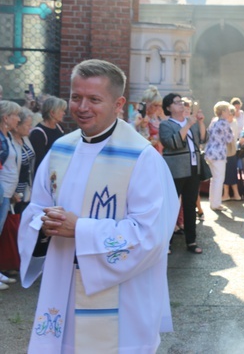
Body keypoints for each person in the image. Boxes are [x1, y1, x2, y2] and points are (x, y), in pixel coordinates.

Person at [19, 59, 179, 352]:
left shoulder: (142, 158)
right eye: (76, 97)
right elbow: (35, 207)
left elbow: (150, 236)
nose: (82, 107)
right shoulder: (61, 149)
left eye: (94, 99)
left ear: (118, 103)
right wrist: (43, 223)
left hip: (120, 300)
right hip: (62, 287)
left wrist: (79, 229)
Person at [160, 93, 207, 253]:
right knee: (171, 206)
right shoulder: (166, 125)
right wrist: (187, 125)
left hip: (193, 168)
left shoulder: (190, 122)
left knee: (190, 205)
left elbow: (202, 138)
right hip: (176, 170)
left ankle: (191, 241)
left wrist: (200, 123)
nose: (181, 104)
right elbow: (173, 143)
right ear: (168, 107)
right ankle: (166, 242)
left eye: (181, 102)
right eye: (176, 102)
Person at [0, 99, 22, 290]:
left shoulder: (7, 137)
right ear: (6, 118)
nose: (18, 119)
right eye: (15, 115)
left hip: (7, 192)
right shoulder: (1, 138)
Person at [205, 101, 236, 211]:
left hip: (210, 152)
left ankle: (213, 202)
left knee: (214, 179)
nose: (229, 112)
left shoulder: (214, 121)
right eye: (228, 110)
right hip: (219, 154)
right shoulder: (225, 123)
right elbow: (229, 138)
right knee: (219, 179)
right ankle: (216, 203)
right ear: (223, 111)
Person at [28, 96, 67, 164]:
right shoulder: (38, 133)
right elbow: (39, 161)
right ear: (52, 112)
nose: (64, 113)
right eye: (61, 110)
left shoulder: (59, 127)